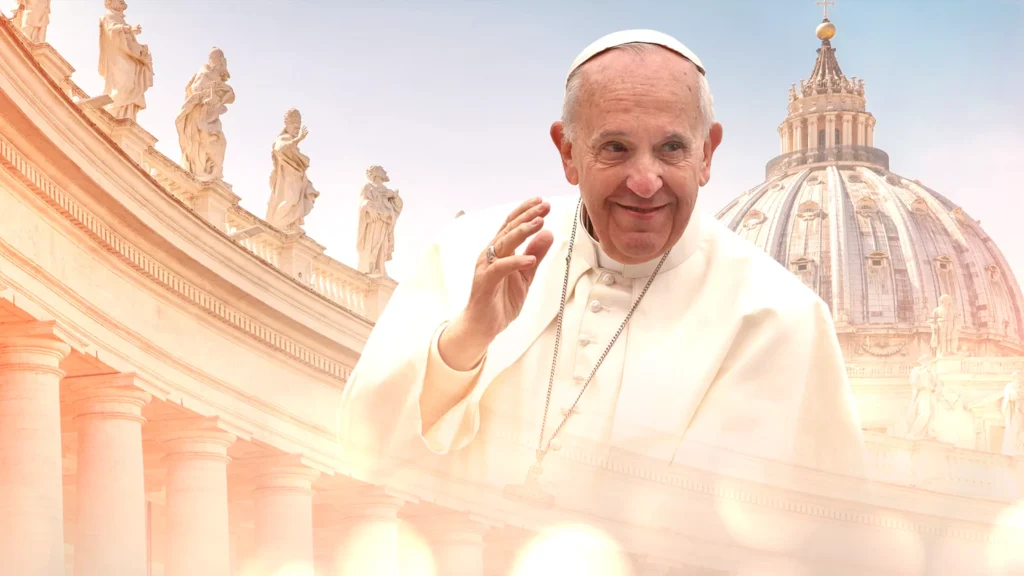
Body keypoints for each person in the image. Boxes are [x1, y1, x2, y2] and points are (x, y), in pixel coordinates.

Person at [338, 30, 865, 501]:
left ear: (707, 153)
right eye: (615, 147)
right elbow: (362, 454)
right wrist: (465, 341)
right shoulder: (469, 252)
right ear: (567, 152)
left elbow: (822, 542)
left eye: (671, 148)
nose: (645, 182)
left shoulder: (786, 321)